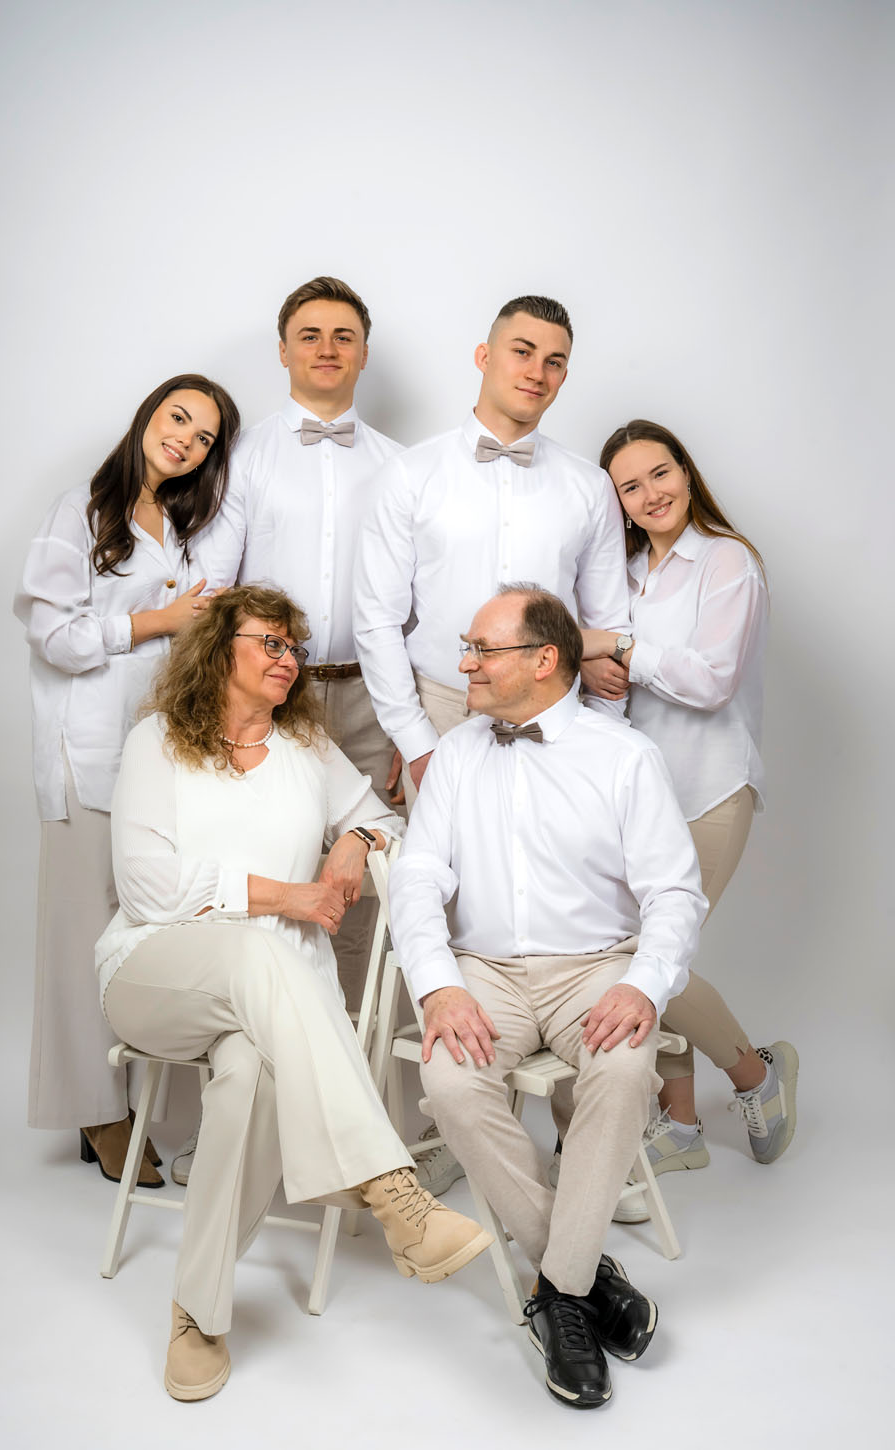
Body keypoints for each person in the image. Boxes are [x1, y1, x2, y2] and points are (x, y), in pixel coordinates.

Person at [96, 584, 492, 1401]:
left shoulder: (306, 746)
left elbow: (392, 823)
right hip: (155, 971)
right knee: (255, 953)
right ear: (218, 647)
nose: (289, 660)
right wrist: (289, 897)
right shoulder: (155, 743)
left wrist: (351, 840)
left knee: (253, 1076)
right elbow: (146, 889)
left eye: (295, 649)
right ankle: (390, 1191)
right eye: (271, 643)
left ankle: (195, 1315)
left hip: (269, 1011)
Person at [388, 584, 707, 1410]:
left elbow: (674, 893)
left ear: (544, 659)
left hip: (596, 967)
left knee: (625, 1070)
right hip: (483, 971)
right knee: (450, 1082)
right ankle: (582, 1277)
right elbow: (419, 880)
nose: (464, 665)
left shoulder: (624, 756)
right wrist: (438, 987)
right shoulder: (457, 754)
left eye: (481, 650)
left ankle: (554, 1297)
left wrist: (641, 983)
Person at [14, 374, 240, 1185]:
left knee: (145, 932)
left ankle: (147, 1104)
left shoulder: (177, 529)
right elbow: (55, 636)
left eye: (205, 436)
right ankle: (98, 1114)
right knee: (82, 935)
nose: (185, 438)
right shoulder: (80, 510)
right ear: (148, 415)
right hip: (84, 755)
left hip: (152, 756)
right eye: (178, 418)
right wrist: (157, 620)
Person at [578, 420, 797, 1192]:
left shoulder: (727, 561)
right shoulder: (625, 571)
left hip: (709, 788)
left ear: (686, 471)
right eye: (629, 487)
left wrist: (619, 650)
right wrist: (599, 663)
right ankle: (681, 1124)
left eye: (659, 473)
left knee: (656, 966)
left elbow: (710, 681)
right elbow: (601, 677)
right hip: (635, 799)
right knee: (632, 954)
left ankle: (754, 1075)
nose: (649, 494)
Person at [194, 276, 404, 1011]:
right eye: (310, 335)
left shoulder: (399, 465)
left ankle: (358, 1070)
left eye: (343, 336)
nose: (326, 348)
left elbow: (413, 602)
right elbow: (216, 589)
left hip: (374, 698)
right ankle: (273, 1059)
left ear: (365, 354)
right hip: (272, 696)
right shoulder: (242, 456)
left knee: (368, 876)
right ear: (283, 350)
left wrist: (409, 724)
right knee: (270, 862)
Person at [354, 293, 631, 810]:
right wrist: (415, 741)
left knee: (549, 886)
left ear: (565, 377)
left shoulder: (590, 488)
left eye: (554, 362)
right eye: (521, 352)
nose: (537, 373)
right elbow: (376, 620)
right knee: (442, 885)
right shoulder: (410, 476)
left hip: (554, 712)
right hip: (440, 708)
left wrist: (598, 738)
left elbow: (610, 621)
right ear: (484, 356)